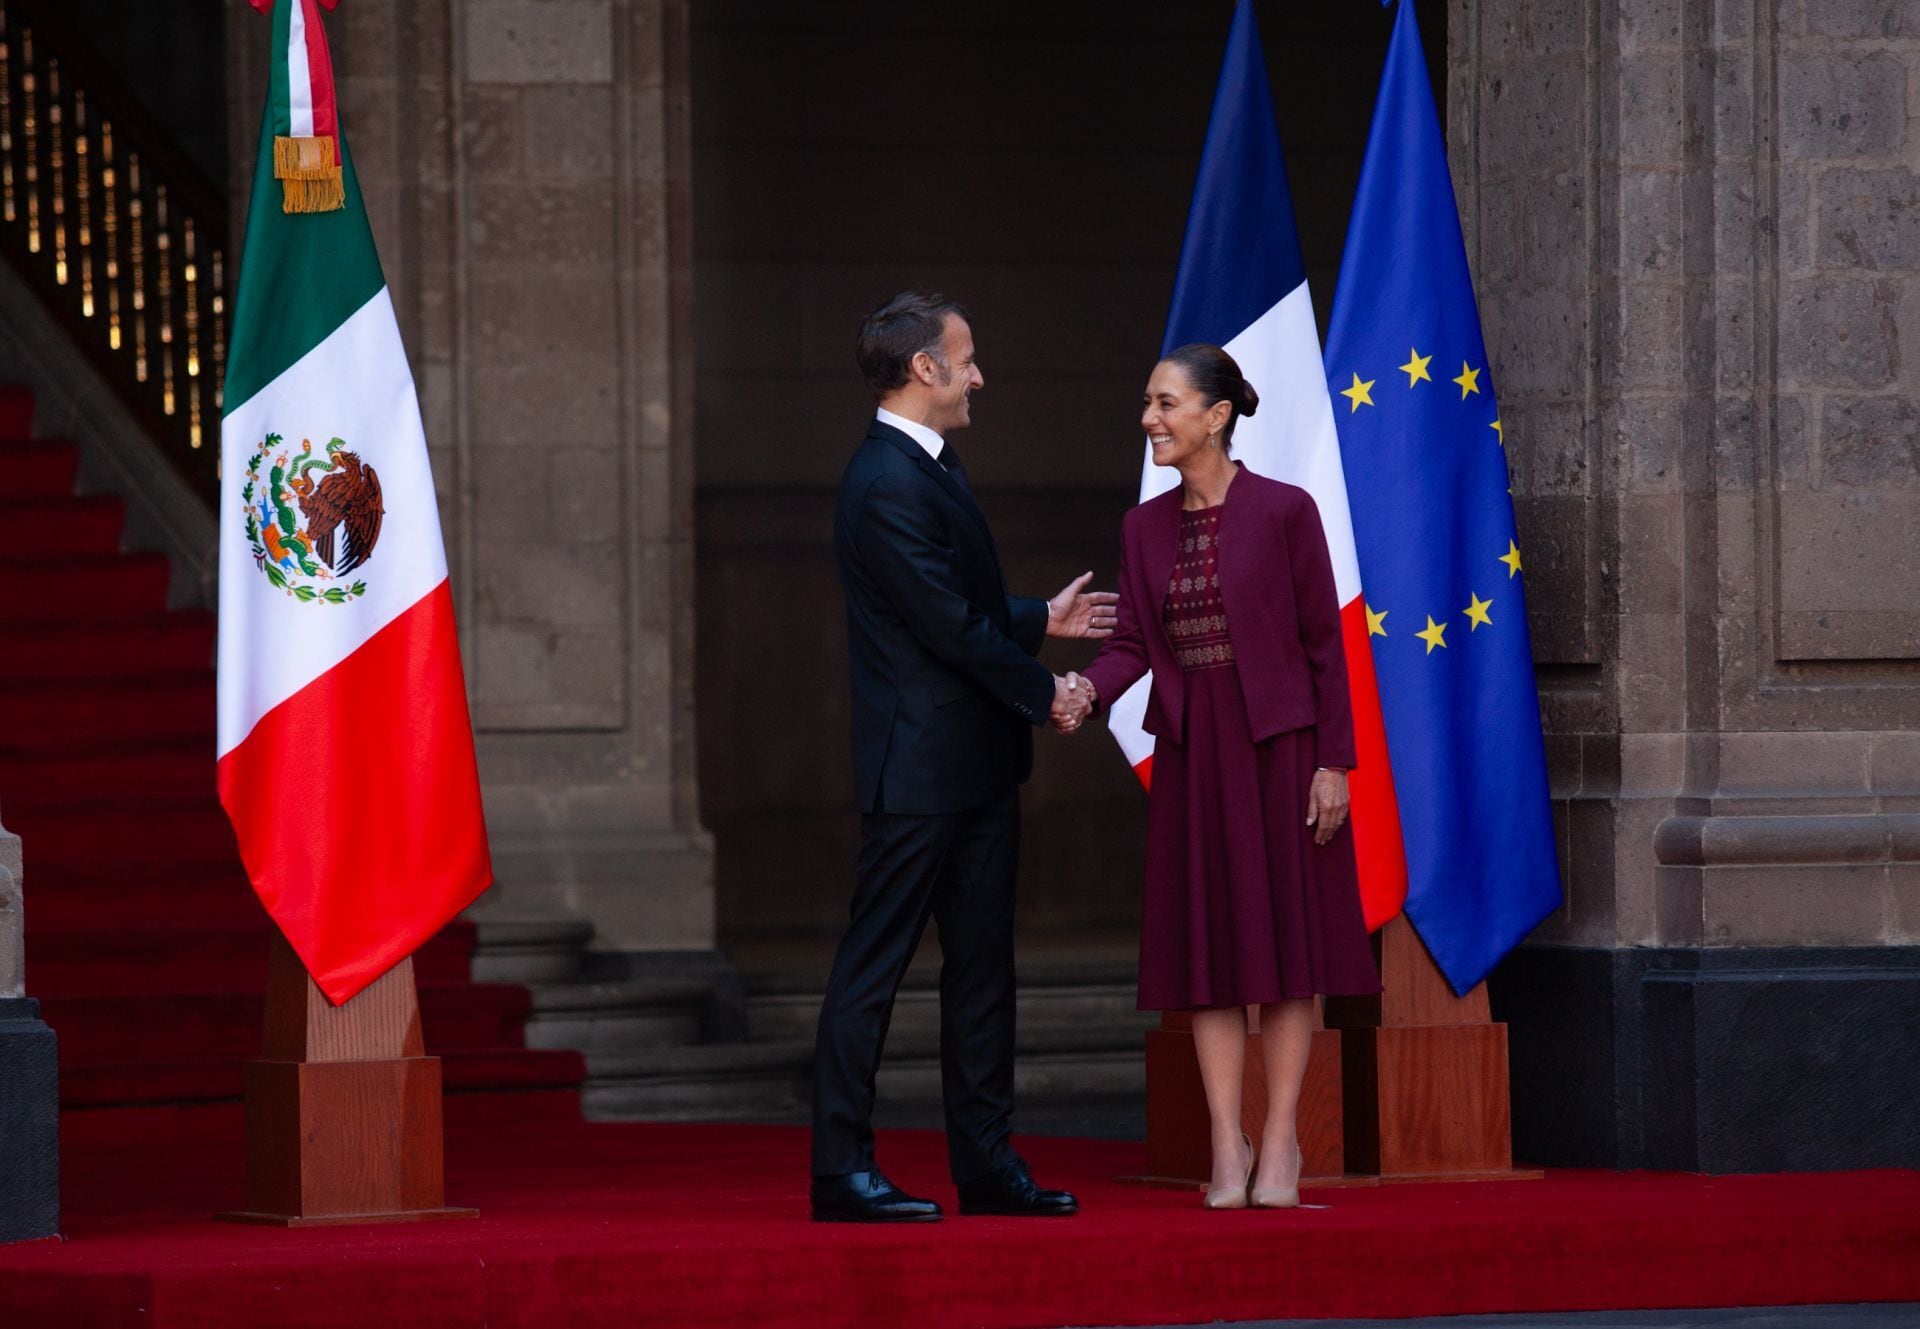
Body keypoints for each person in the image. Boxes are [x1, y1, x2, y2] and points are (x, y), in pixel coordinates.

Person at [810, 291, 1113, 1224]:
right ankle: (841, 1171)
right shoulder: (884, 479)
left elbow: (952, 601)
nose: (979, 375)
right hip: (919, 772)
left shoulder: (926, 465)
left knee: (983, 972)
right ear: (925, 368)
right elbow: (944, 624)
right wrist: (1045, 689)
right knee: (874, 967)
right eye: (967, 358)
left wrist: (1038, 618)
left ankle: (986, 1166)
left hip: (973, 764)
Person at [1069, 343, 1380, 1210]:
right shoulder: (1142, 527)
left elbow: (1327, 647)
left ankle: (1279, 1137)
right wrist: (1081, 694)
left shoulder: (1286, 510)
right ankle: (1223, 1139)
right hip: (1195, 758)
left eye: (1165, 403)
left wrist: (1334, 762)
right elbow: (1132, 644)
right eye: (1148, 402)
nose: (1149, 419)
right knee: (1206, 951)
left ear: (1216, 416)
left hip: (1283, 753)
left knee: (1285, 951)